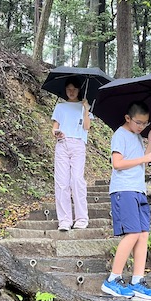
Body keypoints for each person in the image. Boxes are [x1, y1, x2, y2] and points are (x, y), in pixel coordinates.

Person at [101, 101, 151, 300]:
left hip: (138, 189)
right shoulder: (120, 135)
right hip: (124, 190)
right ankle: (113, 279)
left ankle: (137, 280)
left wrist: (150, 141)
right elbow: (117, 163)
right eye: (138, 122)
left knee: (143, 234)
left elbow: (142, 160)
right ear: (128, 118)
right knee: (133, 233)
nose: (142, 126)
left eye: (145, 123)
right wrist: (144, 158)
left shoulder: (138, 136)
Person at [51, 77, 91, 231]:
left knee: (76, 180)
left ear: (79, 90)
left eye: (74, 89)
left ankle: (81, 218)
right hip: (62, 144)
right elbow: (54, 127)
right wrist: (57, 133)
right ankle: (64, 220)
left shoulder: (83, 106)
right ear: (65, 90)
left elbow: (87, 127)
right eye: (68, 89)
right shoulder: (60, 107)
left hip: (78, 144)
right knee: (61, 182)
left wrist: (86, 109)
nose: (71, 92)